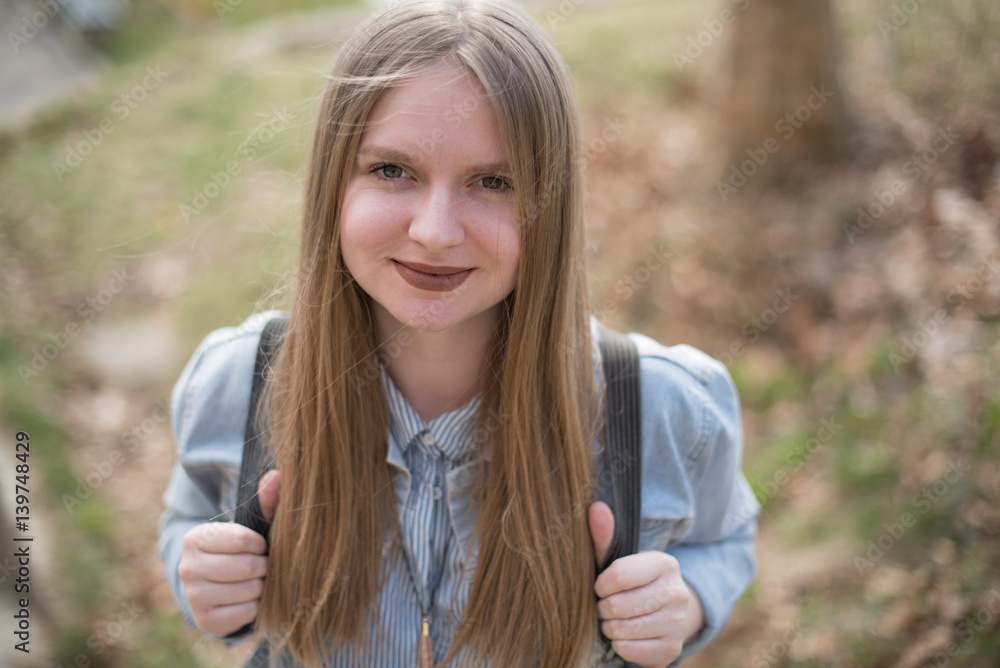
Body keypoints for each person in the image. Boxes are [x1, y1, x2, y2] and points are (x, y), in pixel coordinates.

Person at [156, 1, 759, 666]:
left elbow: (725, 539)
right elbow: (187, 518)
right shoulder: (239, 384)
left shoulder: (661, 408)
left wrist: (687, 600)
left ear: (550, 206)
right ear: (333, 182)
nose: (435, 231)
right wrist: (207, 580)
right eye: (393, 170)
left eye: (493, 182)